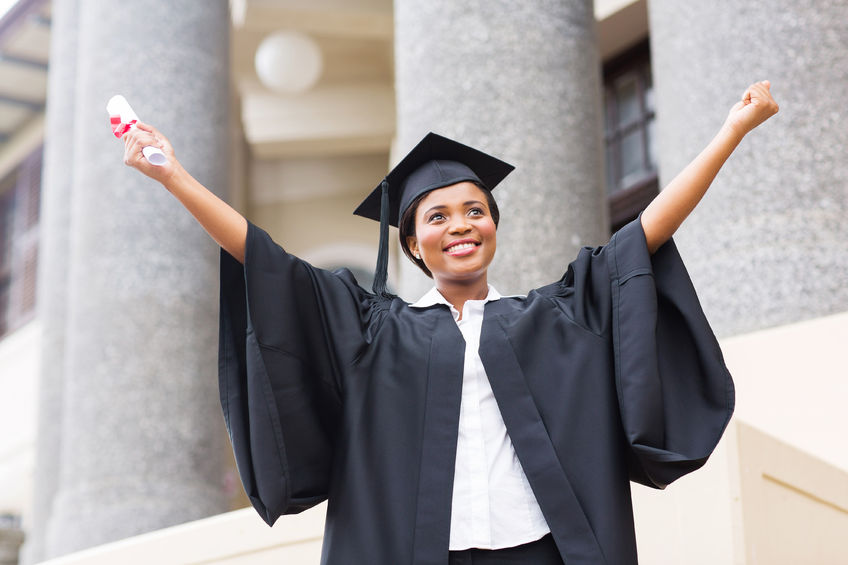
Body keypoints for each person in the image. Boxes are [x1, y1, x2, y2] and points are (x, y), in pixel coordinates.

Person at [123, 81, 779, 565]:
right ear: (411, 242)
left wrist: (731, 132)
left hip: (539, 547)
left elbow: (641, 239)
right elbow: (267, 260)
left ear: (493, 225)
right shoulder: (375, 332)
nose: (460, 224)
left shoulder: (549, 317)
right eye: (437, 216)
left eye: (475, 210)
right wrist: (173, 175)